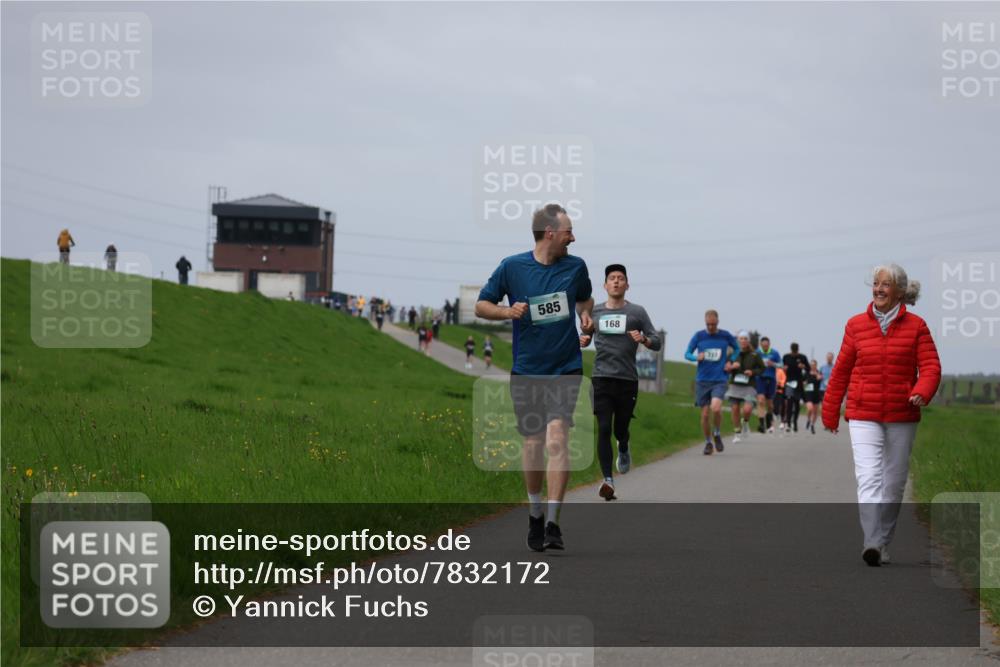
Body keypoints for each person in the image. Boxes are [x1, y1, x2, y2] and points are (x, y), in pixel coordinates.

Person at [475, 203, 593, 551]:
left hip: (566, 367)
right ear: (550, 233)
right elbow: (482, 304)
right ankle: (535, 511)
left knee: (557, 437)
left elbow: (585, 300)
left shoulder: (576, 267)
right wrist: (506, 311)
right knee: (533, 443)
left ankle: (554, 523)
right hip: (527, 369)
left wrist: (586, 318)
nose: (574, 237)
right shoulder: (513, 267)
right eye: (568, 231)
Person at [822, 263, 941, 567]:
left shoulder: (917, 326)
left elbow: (930, 367)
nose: (878, 289)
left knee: (895, 481)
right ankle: (872, 541)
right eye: (876, 284)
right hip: (864, 412)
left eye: (885, 285)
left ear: (900, 292)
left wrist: (921, 391)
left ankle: (883, 540)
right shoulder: (855, 325)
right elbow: (842, 370)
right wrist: (830, 411)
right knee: (869, 476)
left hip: (903, 412)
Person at [579, 264, 661, 500]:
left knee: (620, 429)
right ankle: (608, 480)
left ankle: (623, 447)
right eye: (612, 278)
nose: (616, 281)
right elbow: (587, 334)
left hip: (627, 380)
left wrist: (644, 339)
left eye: (620, 278)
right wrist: (585, 340)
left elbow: (657, 341)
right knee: (603, 427)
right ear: (605, 285)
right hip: (601, 377)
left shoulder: (637, 312)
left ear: (627, 285)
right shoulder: (595, 312)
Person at [685, 310, 738, 455]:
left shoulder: (725, 335)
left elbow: (737, 349)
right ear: (705, 322)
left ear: (718, 322)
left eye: (713, 324)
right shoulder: (699, 336)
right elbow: (687, 354)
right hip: (702, 380)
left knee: (715, 408)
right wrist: (696, 357)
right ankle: (708, 442)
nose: (710, 327)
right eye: (708, 324)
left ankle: (717, 433)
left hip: (720, 378)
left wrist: (730, 361)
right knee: (705, 415)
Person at [725, 331, 765, 443]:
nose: (743, 341)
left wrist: (752, 372)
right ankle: (737, 433)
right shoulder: (733, 354)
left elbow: (762, 369)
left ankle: (745, 422)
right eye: (741, 339)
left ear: (748, 341)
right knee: (735, 408)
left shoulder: (755, 355)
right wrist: (732, 366)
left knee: (747, 409)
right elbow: (726, 367)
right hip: (735, 385)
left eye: (745, 339)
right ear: (738, 340)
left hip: (749, 386)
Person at [755, 336, 781, 433]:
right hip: (760, 379)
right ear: (761, 345)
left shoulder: (774, 353)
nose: (765, 347)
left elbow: (781, 365)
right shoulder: (757, 353)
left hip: (771, 379)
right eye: (763, 346)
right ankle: (761, 425)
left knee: (770, 404)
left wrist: (773, 364)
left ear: (769, 345)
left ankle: (768, 419)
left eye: (767, 345)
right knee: (761, 401)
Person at [782, 342, 809, 432]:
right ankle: (789, 423)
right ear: (791, 349)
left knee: (797, 403)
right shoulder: (786, 357)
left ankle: (795, 421)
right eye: (793, 351)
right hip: (789, 382)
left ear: (798, 349)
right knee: (789, 401)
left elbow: (808, 369)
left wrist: (803, 366)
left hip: (799, 382)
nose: (794, 352)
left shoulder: (802, 357)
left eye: (795, 351)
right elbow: (783, 368)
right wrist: (784, 368)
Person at [803, 360, 823, 434]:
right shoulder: (807, 373)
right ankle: (808, 420)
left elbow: (820, 379)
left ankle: (812, 425)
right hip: (808, 393)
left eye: (814, 364)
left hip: (816, 393)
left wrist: (817, 378)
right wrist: (804, 383)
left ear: (816, 365)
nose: (812, 366)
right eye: (811, 365)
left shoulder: (818, 373)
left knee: (815, 412)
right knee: (810, 409)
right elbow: (803, 381)